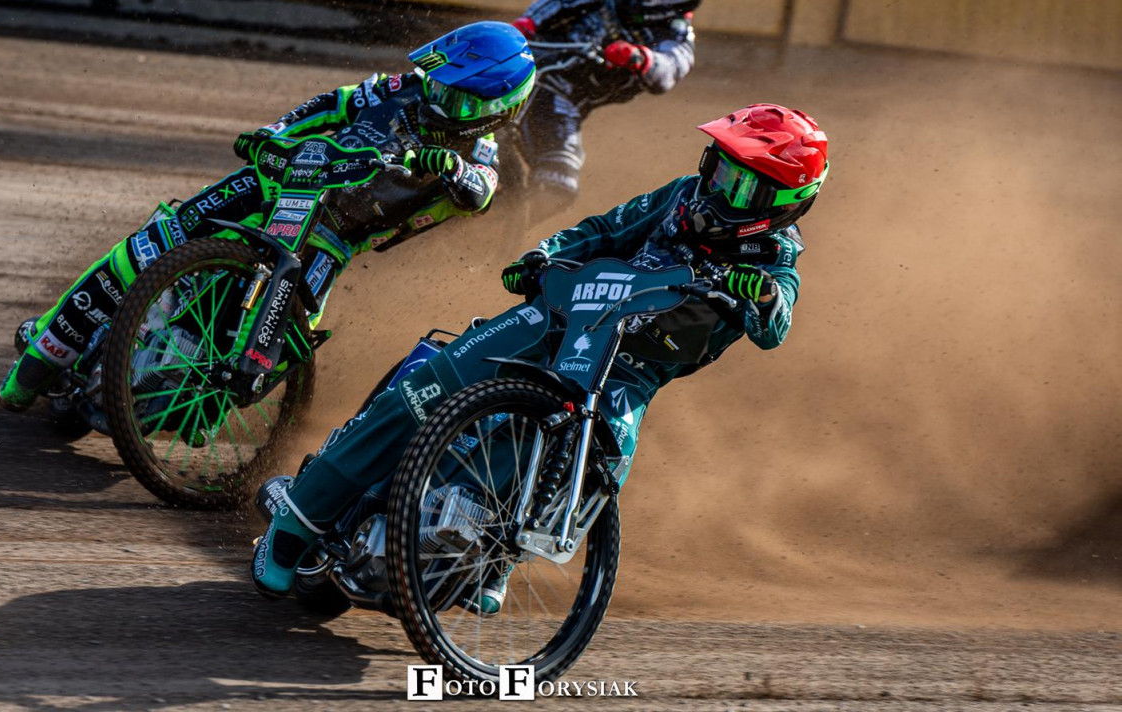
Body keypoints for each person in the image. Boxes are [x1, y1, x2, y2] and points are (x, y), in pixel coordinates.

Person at [250, 103, 829, 614]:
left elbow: (776, 324)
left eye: (741, 184)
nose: (719, 188)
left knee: (600, 461)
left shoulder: (775, 261)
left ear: (783, 202)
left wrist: (765, 297)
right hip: (558, 318)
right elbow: (605, 230)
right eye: (720, 167)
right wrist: (544, 254)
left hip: (627, 374)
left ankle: (494, 556)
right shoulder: (681, 194)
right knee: (426, 390)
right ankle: (295, 522)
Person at [0, 21, 536, 412]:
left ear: (497, 110)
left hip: (332, 238)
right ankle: (49, 346)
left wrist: (452, 169)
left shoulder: (482, 155)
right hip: (281, 180)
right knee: (153, 245)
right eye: (437, 84)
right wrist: (274, 133)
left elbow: (480, 194)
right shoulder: (404, 87)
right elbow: (333, 103)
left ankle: (190, 393)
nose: (436, 99)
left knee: (280, 346)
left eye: (455, 99)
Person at [506, 0, 712, 198]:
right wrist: (529, 22)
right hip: (531, 56)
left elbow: (669, 68)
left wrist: (639, 58)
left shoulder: (677, 39)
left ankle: (502, 216)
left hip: (563, 98)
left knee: (559, 184)